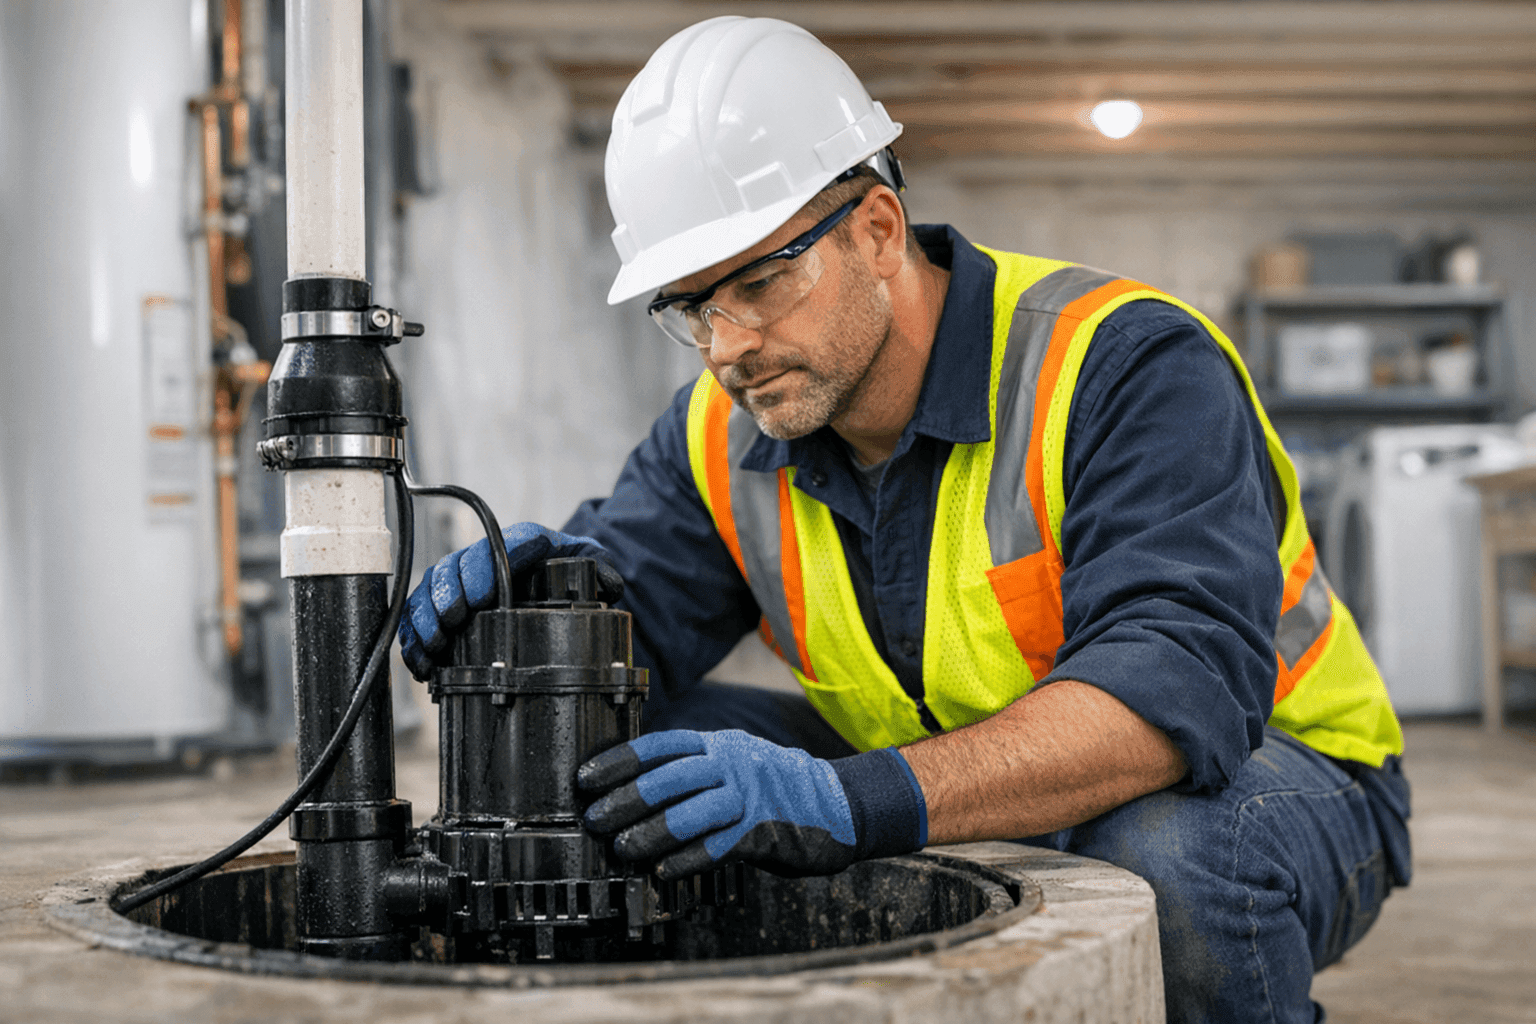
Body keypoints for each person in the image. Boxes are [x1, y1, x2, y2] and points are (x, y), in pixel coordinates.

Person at [399, 17, 1411, 1022]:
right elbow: (634, 627)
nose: (726, 345)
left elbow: (1168, 703)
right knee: (629, 757)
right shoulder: (719, 428)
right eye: (693, 306)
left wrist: (849, 803)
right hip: (939, 758)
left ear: (879, 230)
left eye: (760, 282)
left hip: (1274, 777)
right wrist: (542, 614)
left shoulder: (1123, 365)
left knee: (1165, 855)